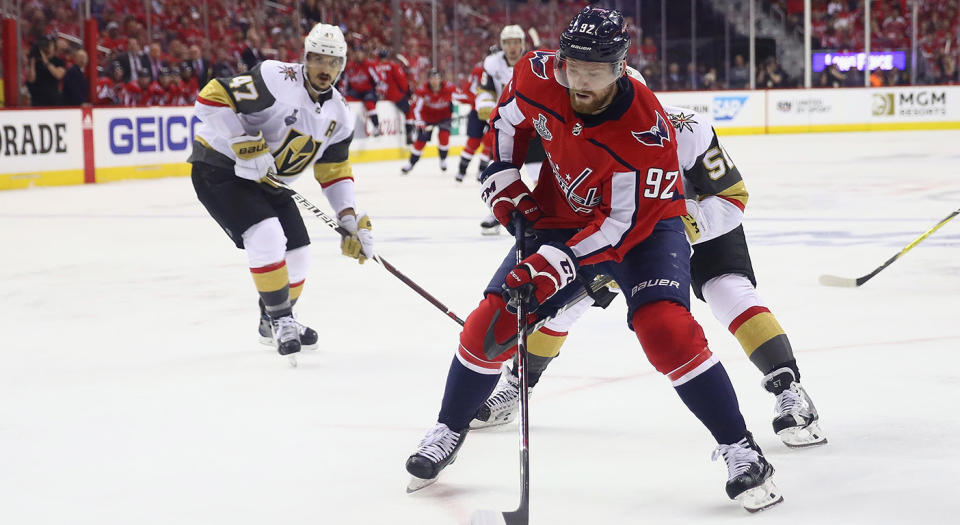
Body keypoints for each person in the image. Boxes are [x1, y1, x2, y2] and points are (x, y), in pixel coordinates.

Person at [404, 6, 782, 513]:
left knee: (665, 328)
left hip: (645, 230)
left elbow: (617, 231)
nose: (579, 80)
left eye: (594, 71)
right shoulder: (539, 72)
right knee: (489, 322)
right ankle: (448, 428)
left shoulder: (647, 131)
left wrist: (551, 265)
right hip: (565, 216)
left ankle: (741, 448)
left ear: (620, 68)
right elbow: (509, 120)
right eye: (572, 67)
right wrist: (502, 175)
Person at [472, 95, 827, 450]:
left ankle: (788, 387)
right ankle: (519, 382)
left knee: (727, 290)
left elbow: (732, 197)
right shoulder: (579, 128)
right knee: (567, 302)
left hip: (700, 218)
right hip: (619, 226)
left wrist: (671, 230)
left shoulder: (686, 128)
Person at [188, 23, 374, 363]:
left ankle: (271, 318)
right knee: (268, 235)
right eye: (318, 59)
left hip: (268, 179)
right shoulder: (277, 78)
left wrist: (348, 219)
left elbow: (334, 172)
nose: (325, 69)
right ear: (306, 58)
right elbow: (210, 96)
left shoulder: (339, 114)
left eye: (333, 62)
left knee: (300, 251)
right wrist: (242, 142)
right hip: (219, 168)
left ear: (342, 66)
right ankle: (282, 319)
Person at [474, 25, 546, 236]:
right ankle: (499, 213)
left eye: (516, 42)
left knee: (538, 173)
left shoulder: (533, 62)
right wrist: (484, 103)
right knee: (500, 172)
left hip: (532, 124)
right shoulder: (492, 64)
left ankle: (545, 212)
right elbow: (484, 91)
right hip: (504, 125)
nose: (512, 47)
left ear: (522, 44)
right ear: (502, 45)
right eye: (508, 43)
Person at [400, 70, 456, 175]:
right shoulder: (422, 91)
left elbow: (460, 97)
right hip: (427, 119)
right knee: (420, 141)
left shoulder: (449, 88)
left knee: (444, 137)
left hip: (444, 117)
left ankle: (443, 160)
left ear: (440, 79)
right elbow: (415, 109)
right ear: (429, 80)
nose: (434, 81)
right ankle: (410, 163)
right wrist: (420, 122)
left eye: (437, 78)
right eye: (432, 78)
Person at [454, 60, 489, 183]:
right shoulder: (479, 69)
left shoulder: (508, 68)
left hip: (496, 111)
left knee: (490, 142)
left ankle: (482, 171)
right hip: (478, 110)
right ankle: (462, 170)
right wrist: (477, 100)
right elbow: (470, 89)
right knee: (473, 141)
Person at [371, 49, 413, 144]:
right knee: (409, 111)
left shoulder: (374, 65)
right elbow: (402, 80)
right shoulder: (393, 65)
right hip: (394, 95)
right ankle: (409, 133)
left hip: (379, 95)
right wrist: (407, 91)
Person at [341, 47, 381, 136]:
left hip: (368, 90)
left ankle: (377, 126)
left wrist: (379, 92)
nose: (358, 55)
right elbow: (344, 82)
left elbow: (378, 80)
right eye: (356, 53)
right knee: (344, 101)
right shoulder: (349, 66)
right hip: (355, 91)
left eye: (360, 53)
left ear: (364, 54)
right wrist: (342, 93)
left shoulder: (369, 65)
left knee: (369, 103)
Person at [27, 36, 65, 106]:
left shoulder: (59, 61)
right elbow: (31, 79)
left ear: (54, 47)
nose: (47, 48)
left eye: (49, 45)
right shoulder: (37, 61)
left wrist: (46, 62)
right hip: (37, 100)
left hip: (53, 101)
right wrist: (32, 63)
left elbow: (58, 75)